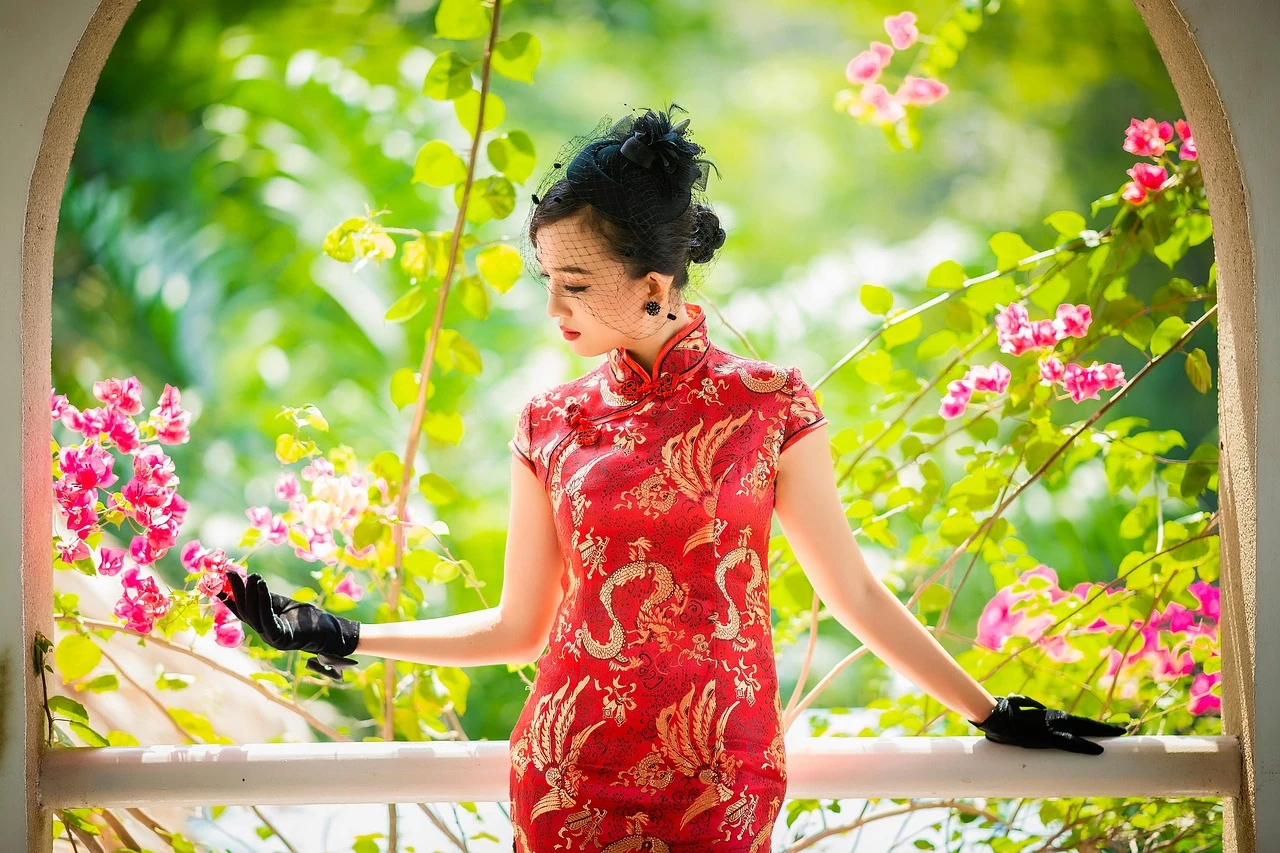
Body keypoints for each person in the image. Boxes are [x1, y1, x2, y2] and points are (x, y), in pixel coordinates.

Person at [218, 102, 1126, 852]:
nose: (552, 305)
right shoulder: (549, 423)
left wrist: (988, 711)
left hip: (720, 785)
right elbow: (518, 626)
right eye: (547, 277)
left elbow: (850, 590)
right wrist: (341, 630)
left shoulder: (770, 403)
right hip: (566, 779)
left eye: (576, 282)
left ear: (656, 285)